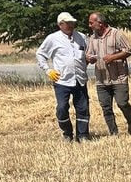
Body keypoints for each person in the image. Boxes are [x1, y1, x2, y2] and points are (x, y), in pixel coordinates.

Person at [36, 12, 91, 142]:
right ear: (60, 25)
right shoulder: (52, 38)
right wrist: (48, 70)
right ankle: (67, 133)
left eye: (72, 23)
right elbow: (40, 54)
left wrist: (89, 59)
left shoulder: (81, 37)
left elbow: (88, 53)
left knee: (83, 108)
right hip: (62, 80)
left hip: (79, 79)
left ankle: (83, 135)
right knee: (62, 108)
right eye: (68, 23)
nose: (71, 25)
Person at [86, 11, 131, 135]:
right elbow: (88, 55)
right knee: (106, 107)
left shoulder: (116, 34)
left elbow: (129, 50)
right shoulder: (92, 38)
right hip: (101, 79)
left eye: (91, 23)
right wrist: (89, 58)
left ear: (100, 23)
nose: (89, 25)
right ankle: (113, 132)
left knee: (122, 103)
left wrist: (113, 57)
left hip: (118, 78)